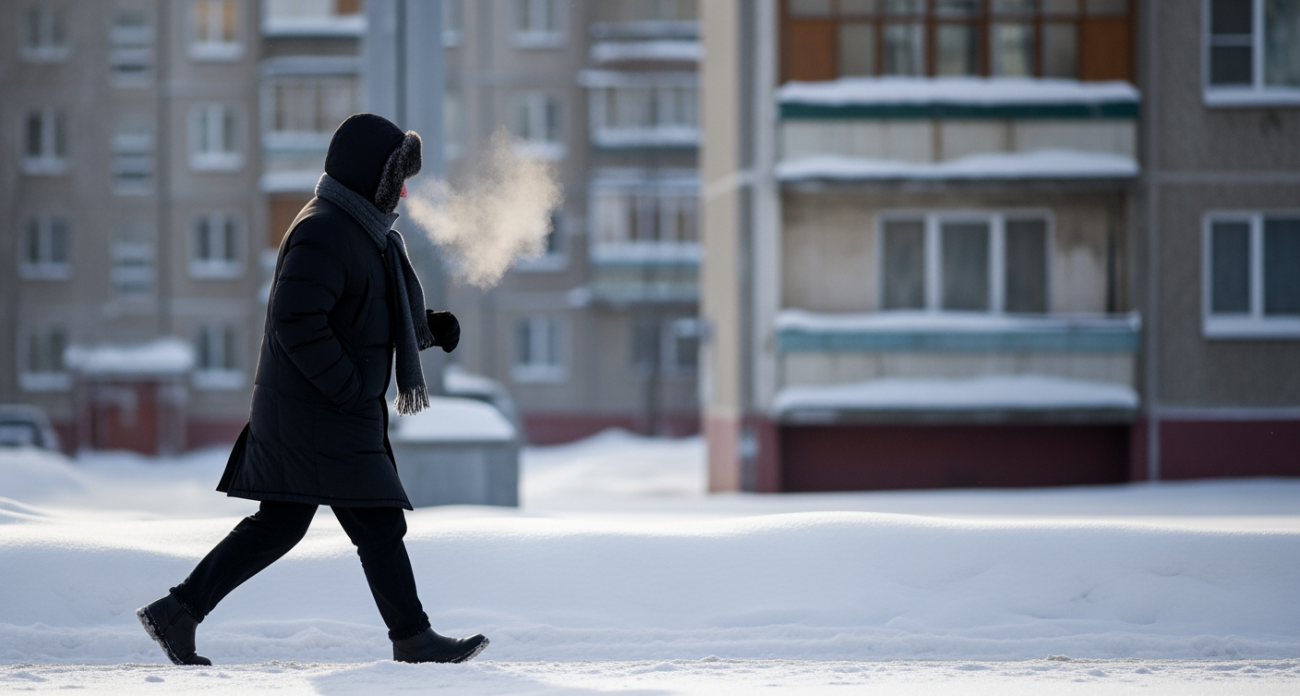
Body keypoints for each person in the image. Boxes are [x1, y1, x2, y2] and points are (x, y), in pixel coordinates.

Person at [136, 114, 487, 666]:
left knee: (290, 524)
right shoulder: (326, 229)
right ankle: (412, 638)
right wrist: (348, 386)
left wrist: (427, 327)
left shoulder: (359, 230)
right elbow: (297, 322)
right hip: (319, 413)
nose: (402, 190)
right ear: (369, 174)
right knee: (372, 523)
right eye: (396, 177)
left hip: (325, 414)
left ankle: (178, 613)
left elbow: (358, 315)